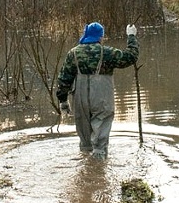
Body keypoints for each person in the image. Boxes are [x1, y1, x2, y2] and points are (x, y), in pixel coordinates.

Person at [56, 22, 139, 159]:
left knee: (85, 140)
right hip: (101, 97)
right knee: (100, 140)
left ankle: (85, 168)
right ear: (100, 37)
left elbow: (64, 79)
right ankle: (98, 171)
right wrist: (131, 36)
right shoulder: (106, 52)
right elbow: (130, 57)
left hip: (80, 98)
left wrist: (63, 101)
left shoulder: (74, 53)